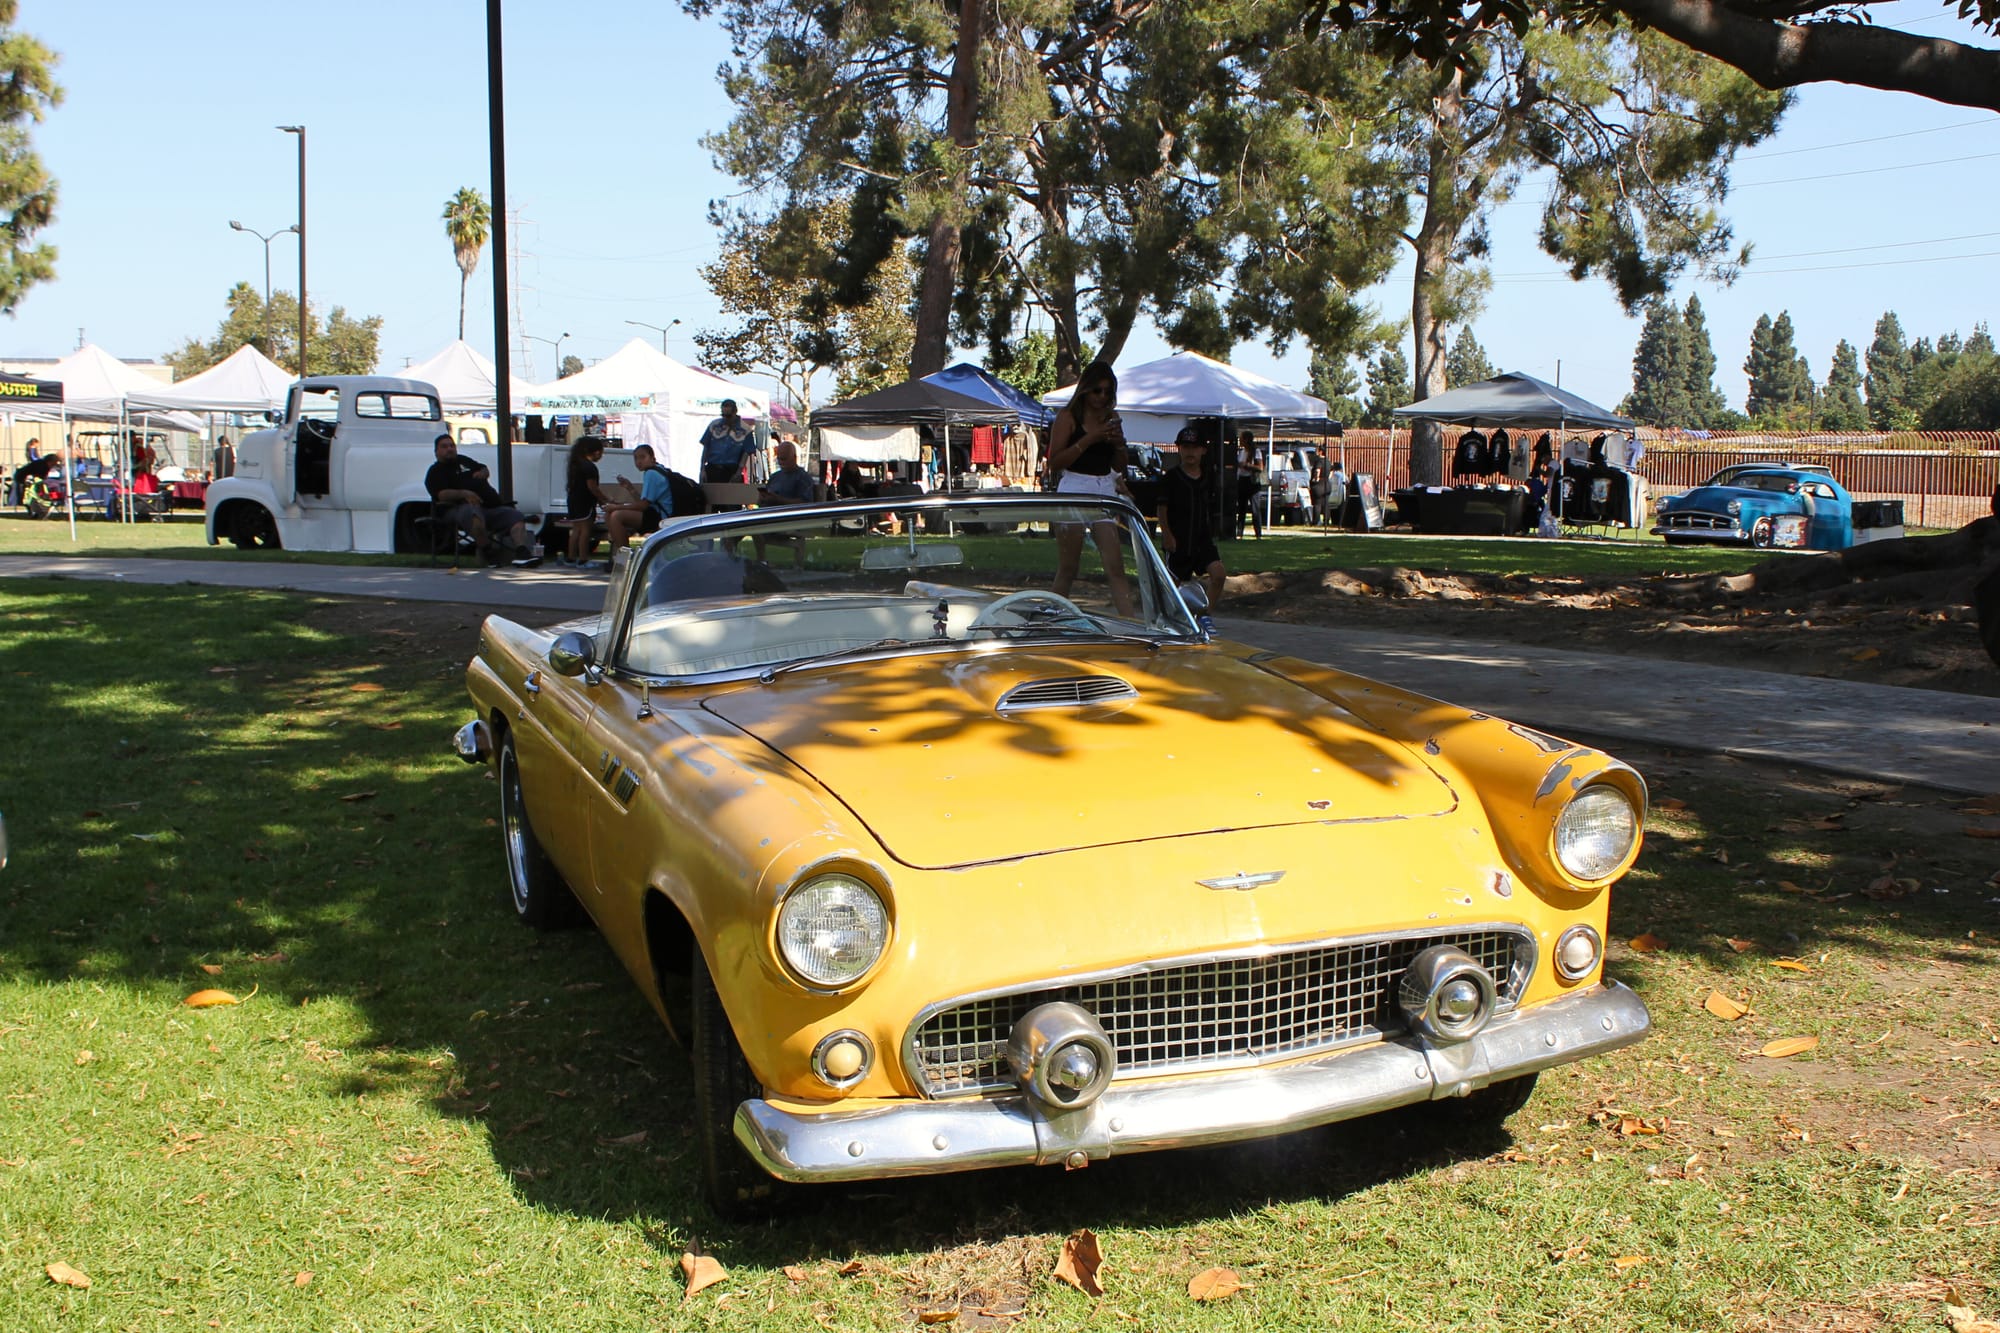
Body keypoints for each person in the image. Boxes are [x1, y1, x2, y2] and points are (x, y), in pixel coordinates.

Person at [1045, 360, 1137, 617]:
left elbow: (1119, 466)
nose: (1102, 397)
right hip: (1074, 486)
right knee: (1068, 566)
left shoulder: (1112, 417)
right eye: (1097, 390)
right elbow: (1055, 462)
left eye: (1108, 392)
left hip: (1103, 487)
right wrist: (1089, 439)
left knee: (1115, 566)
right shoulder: (1067, 417)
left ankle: (1130, 623)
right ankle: (1051, 616)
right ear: (1086, 389)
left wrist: (1119, 445)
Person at [424, 432, 539, 565]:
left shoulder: (464, 460)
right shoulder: (435, 471)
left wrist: (483, 472)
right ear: (436, 452)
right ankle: (488, 552)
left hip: (489, 507)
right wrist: (464, 493)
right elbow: (441, 494)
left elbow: (483, 468)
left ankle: (521, 552)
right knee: (473, 514)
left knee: (515, 516)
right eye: (444, 447)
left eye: (452, 445)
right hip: (458, 509)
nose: (449, 449)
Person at [1157, 425, 1224, 627]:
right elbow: (1162, 508)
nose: (1190, 452)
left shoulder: (1208, 477)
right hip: (1178, 539)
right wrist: (1167, 534)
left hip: (1202, 539)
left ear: (1203, 450)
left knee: (1218, 574)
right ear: (1178, 449)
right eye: (1185, 447)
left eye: (1195, 447)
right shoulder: (1170, 478)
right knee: (1173, 585)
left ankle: (1204, 615)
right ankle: (1170, 620)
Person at [754, 438, 819, 568]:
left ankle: (761, 562)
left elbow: (805, 503)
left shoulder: (803, 477)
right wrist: (763, 498)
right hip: (769, 515)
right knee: (732, 531)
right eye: (779, 459)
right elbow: (764, 497)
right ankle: (730, 558)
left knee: (756, 528)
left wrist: (778, 500)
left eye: (784, 459)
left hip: (790, 519)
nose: (781, 462)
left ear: (794, 458)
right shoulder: (775, 477)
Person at [605, 444, 673, 557]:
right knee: (609, 514)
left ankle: (625, 558)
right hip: (654, 513)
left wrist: (616, 507)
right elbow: (644, 502)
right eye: (636, 458)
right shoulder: (657, 470)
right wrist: (629, 488)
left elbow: (643, 506)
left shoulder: (651, 474)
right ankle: (619, 554)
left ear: (652, 458)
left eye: (642, 457)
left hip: (662, 517)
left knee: (616, 515)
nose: (639, 461)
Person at [561, 437, 614, 568]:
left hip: (573, 501)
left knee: (576, 530)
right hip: (585, 502)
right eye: (601, 452)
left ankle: (571, 558)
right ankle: (583, 559)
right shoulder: (590, 467)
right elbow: (592, 487)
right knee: (585, 530)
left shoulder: (576, 464)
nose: (601, 456)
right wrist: (604, 499)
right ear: (596, 452)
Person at [699, 399, 756, 483]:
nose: (726, 418)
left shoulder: (745, 429)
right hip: (712, 468)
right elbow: (706, 446)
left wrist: (738, 473)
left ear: (735, 412)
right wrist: (702, 470)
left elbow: (746, 453)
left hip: (731, 471)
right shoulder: (714, 425)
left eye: (728, 416)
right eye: (723, 415)